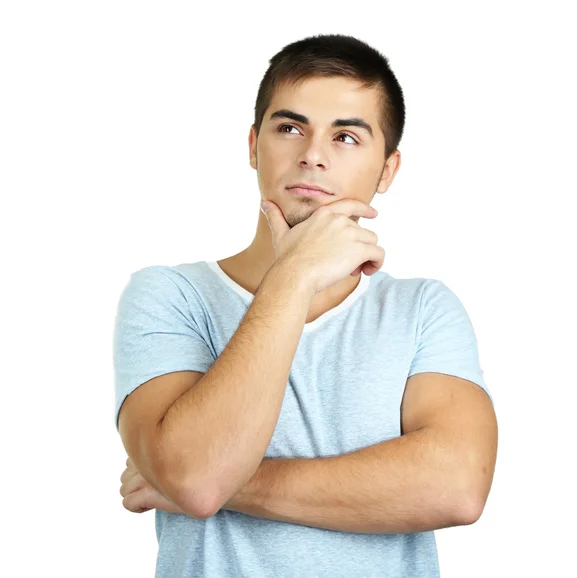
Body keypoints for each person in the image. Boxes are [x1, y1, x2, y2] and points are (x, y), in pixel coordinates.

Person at [114, 33, 498, 578]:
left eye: (345, 136)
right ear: (253, 145)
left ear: (387, 170)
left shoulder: (423, 309)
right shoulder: (170, 297)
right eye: (290, 128)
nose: (312, 156)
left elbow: (458, 487)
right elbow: (198, 479)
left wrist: (226, 483)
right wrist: (293, 274)